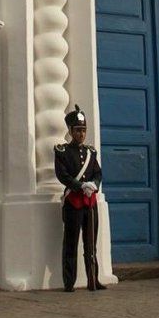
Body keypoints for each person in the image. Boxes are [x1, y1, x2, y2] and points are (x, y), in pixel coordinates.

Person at [55, 104, 105, 292]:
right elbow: (63, 175)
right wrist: (80, 186)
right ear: (70, 131)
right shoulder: (62, 152)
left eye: (83, 130)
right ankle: (69, 282)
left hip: (90, 203)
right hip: (73, 203)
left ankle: (93, 279)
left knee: (91, 244)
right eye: (77, 130)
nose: (81, 134)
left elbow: (98, 173)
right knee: (71, 243)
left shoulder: (92, 152)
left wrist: (94, 185)